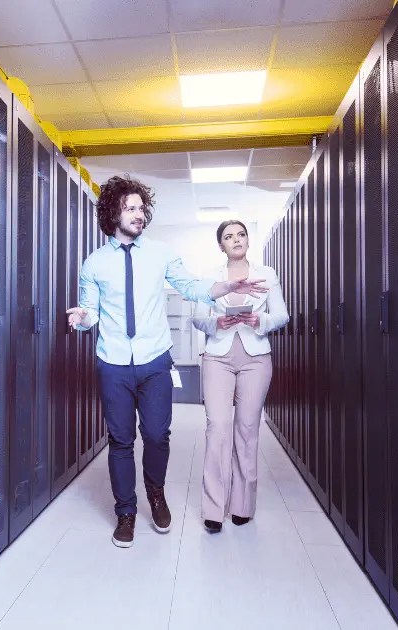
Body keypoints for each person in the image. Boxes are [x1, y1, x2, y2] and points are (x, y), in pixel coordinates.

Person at [66, 175, 268, 548]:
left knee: (157, 435)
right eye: (131, 208)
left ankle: (155, 493)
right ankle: (125, 511)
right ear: (113, 213)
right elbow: (92, 312)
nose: (138, 214)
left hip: (155, 359)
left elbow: (190, 286)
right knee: (120, 439)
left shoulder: (160, 253)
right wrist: (82, 319)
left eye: (142, 208)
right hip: (113, 363)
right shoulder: (93, 264)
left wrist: (225, 287)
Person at [190, 220, 289, 533]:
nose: (236, 239)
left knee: (247, 430)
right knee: (217, 428)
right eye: (228, 236)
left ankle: (243, 506)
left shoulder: (267, 274)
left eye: (241, 234)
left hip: (255, 358)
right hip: (217, 357)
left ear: (248, 240)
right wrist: (217, 323)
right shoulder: (211, 278)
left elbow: (282, 315)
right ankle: (213, 509)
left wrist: (259, 319)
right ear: (221, 245)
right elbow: (197, 318)